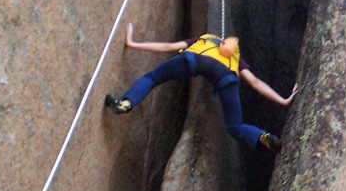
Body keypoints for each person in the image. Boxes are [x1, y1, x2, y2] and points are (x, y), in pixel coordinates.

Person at [105, 24, 298, 152]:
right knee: (235, 126)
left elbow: (167, 46)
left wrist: (133, 43)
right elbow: (255, 83)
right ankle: (261, 136)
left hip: (195, 59)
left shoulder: (204, 39)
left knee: (153, 77)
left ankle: (125, 104)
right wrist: (283, 100)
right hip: (225, 76)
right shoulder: (236, 59)